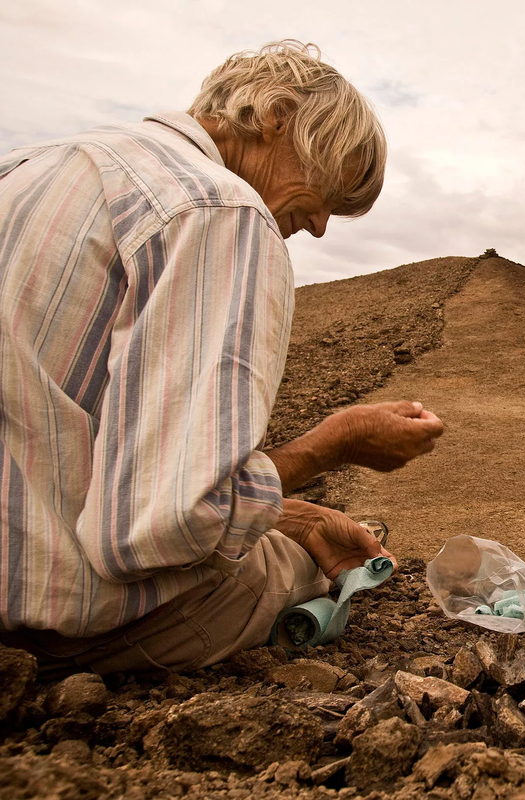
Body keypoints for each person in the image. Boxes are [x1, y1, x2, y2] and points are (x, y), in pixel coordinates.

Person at [0, 41, 444, 675]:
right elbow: (155, 531)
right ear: (276, 115)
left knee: (273, 529)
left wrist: (289, 512)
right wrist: (331, 446)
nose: (319, 226)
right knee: (292, 565)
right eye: (328, 192)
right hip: (52, 620)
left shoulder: (30, 165)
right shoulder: (222, 211)